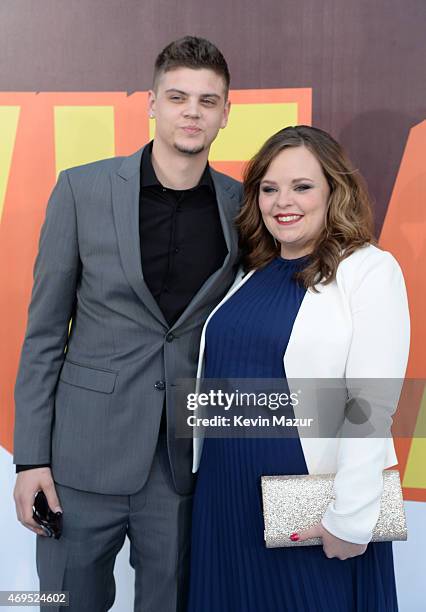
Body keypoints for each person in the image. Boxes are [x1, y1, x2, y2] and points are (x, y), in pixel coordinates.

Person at [13, 36, 241, 612]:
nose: (192, 111)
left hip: (181, 464)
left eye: (207, 101)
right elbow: (43, 337)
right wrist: (30, 459)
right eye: (178, 97)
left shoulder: (243, 207)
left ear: (225, 114)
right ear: (151, 103)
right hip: (80, 460)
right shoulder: (81, 190)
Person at [187, 125, 410, 611]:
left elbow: (371, 404)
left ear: (335, 190)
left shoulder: (368, 270)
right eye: (269, 188)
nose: (282, 201)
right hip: (225, 498)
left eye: (302, 186)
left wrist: (349, 518)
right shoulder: (251, 273)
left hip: (312, 505)